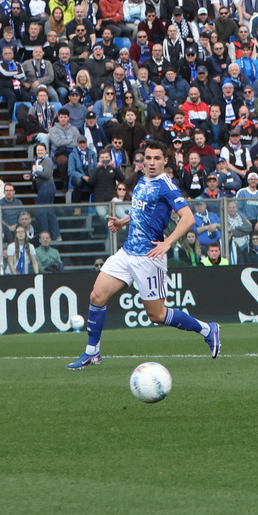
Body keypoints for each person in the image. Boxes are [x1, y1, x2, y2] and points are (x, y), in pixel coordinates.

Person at [68, 140, 221, 370]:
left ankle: (208, 329)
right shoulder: (141, 180)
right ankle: (92, 352)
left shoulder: (167, 186)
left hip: (149, 257)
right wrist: (123, 220)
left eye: (156, 158)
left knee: (157, 315)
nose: (151, 162)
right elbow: (141, 210)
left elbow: (188, 218)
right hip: (127, 252)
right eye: (147, 158)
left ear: (165, 160)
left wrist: (168, 242)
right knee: (96, 297)